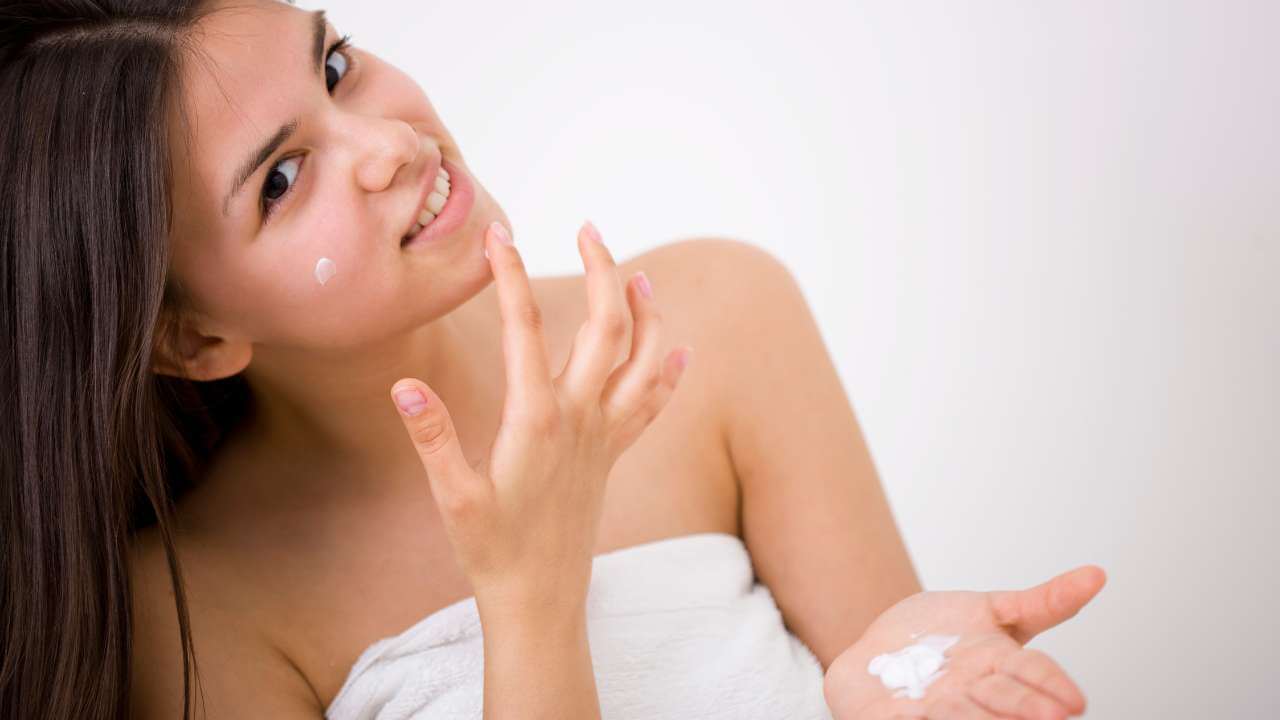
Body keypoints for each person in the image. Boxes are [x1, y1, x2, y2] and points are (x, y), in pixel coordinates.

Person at [0, 0, 1106, 718]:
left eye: (334, 67)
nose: (390, 146)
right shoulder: (198, 613)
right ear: (192, 336)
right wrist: (529, 593)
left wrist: (882, 692)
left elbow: (896, 678)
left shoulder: (714, 317)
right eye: (282, 181)